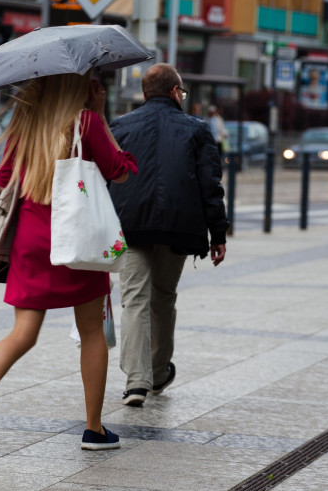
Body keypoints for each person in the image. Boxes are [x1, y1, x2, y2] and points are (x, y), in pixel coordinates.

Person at [0, 71, 137, 455]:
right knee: (92, 332)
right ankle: (94, 429)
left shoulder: (26, 123)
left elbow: (0, 178)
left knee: (23, 332)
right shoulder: (85, 122)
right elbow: (119, 171)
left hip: (31, 240)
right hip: (78, 240)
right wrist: (99, 114)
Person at [108, 63, 228, 407]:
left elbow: (107, 176)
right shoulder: (197, 129)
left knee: (134, 299)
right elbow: (210, 185)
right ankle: (158, 372)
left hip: (130, 225)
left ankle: (136, 382)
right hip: (179, 226)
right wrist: (218, 233)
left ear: (145, 93)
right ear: (176, 92)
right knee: (163, 297)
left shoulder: (120, 126)